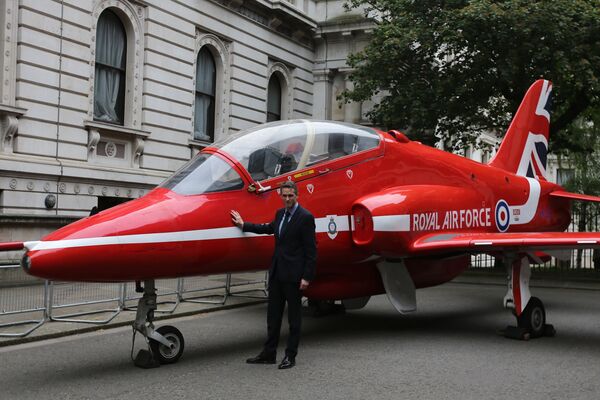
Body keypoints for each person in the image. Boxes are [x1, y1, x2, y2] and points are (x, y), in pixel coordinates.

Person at [230, 180, 316, 369]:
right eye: (284, 196)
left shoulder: (305, 217)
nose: (287, 199)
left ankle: (290, 356)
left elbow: (311, 251)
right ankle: (269, 353)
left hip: (294, 277)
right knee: (273, 317)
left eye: (290, 195)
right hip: (277, 274)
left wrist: (307, 277)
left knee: (294, 320)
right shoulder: (280, 214)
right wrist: (244, 225)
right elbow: (268, 228)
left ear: (297, 195)